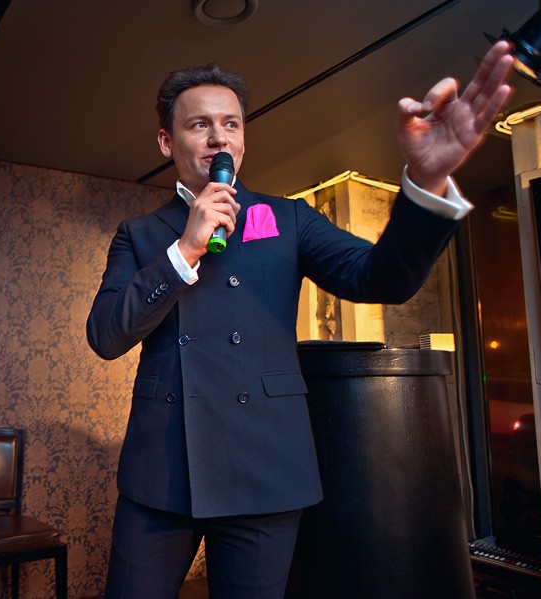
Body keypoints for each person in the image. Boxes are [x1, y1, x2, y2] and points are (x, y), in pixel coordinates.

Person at [86, 41, 515, 598]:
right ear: (167, 141)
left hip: (265, 469)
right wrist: (185, 248)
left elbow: (380, 279)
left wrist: (426, 183)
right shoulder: (140, 235)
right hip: (161, 476)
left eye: (231, 124)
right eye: (199, 124)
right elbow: (105, 335)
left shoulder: (289, 218)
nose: (219, 138)